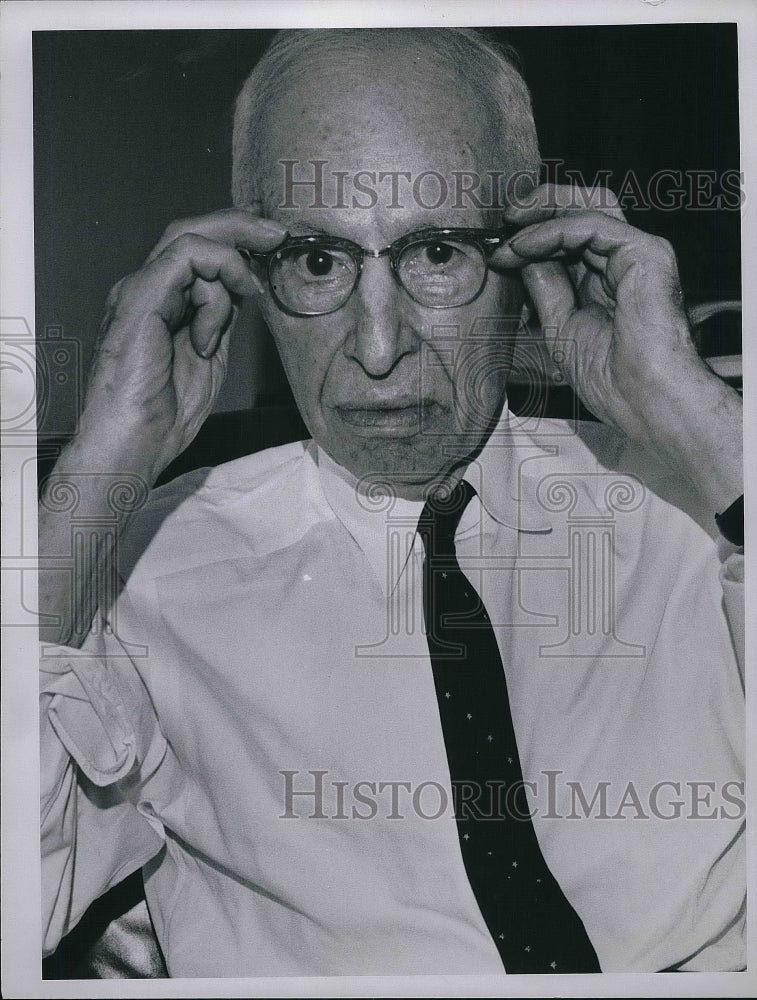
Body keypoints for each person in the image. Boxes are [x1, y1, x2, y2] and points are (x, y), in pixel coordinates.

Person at [38, 27, 744, 976]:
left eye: (438, 251)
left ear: (531, 253)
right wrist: (98, 467)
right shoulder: (144, 569)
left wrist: (694, 413)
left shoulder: (700, 503)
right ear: (249, 275)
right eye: (317, 262)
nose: (378, 348)